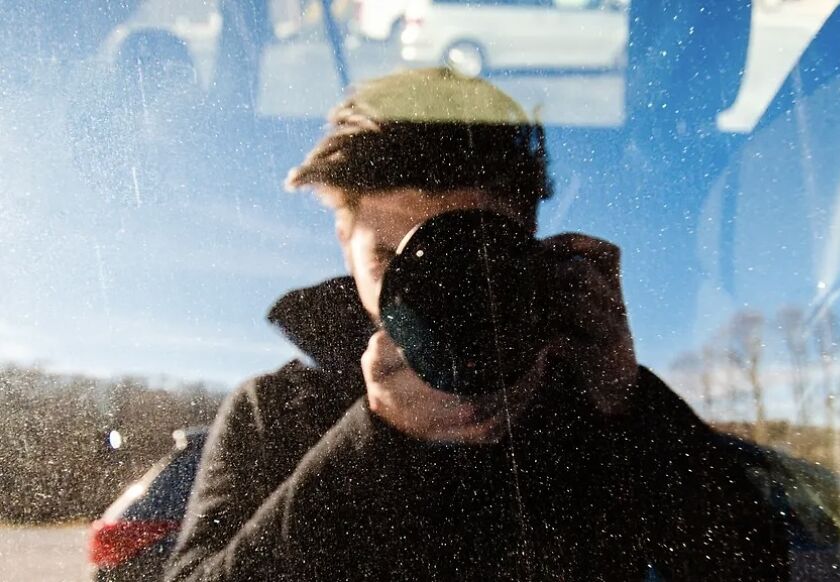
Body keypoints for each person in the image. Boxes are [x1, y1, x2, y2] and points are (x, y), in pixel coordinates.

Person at [165, 68, 789, 581]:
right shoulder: (277, 412)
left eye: (468, 258)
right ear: (343, 243)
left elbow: (754, 565)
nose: (431, 289)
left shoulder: (583, 400)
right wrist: (373, 440)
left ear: (529, 245)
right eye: (391, 259)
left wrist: (626, 400)